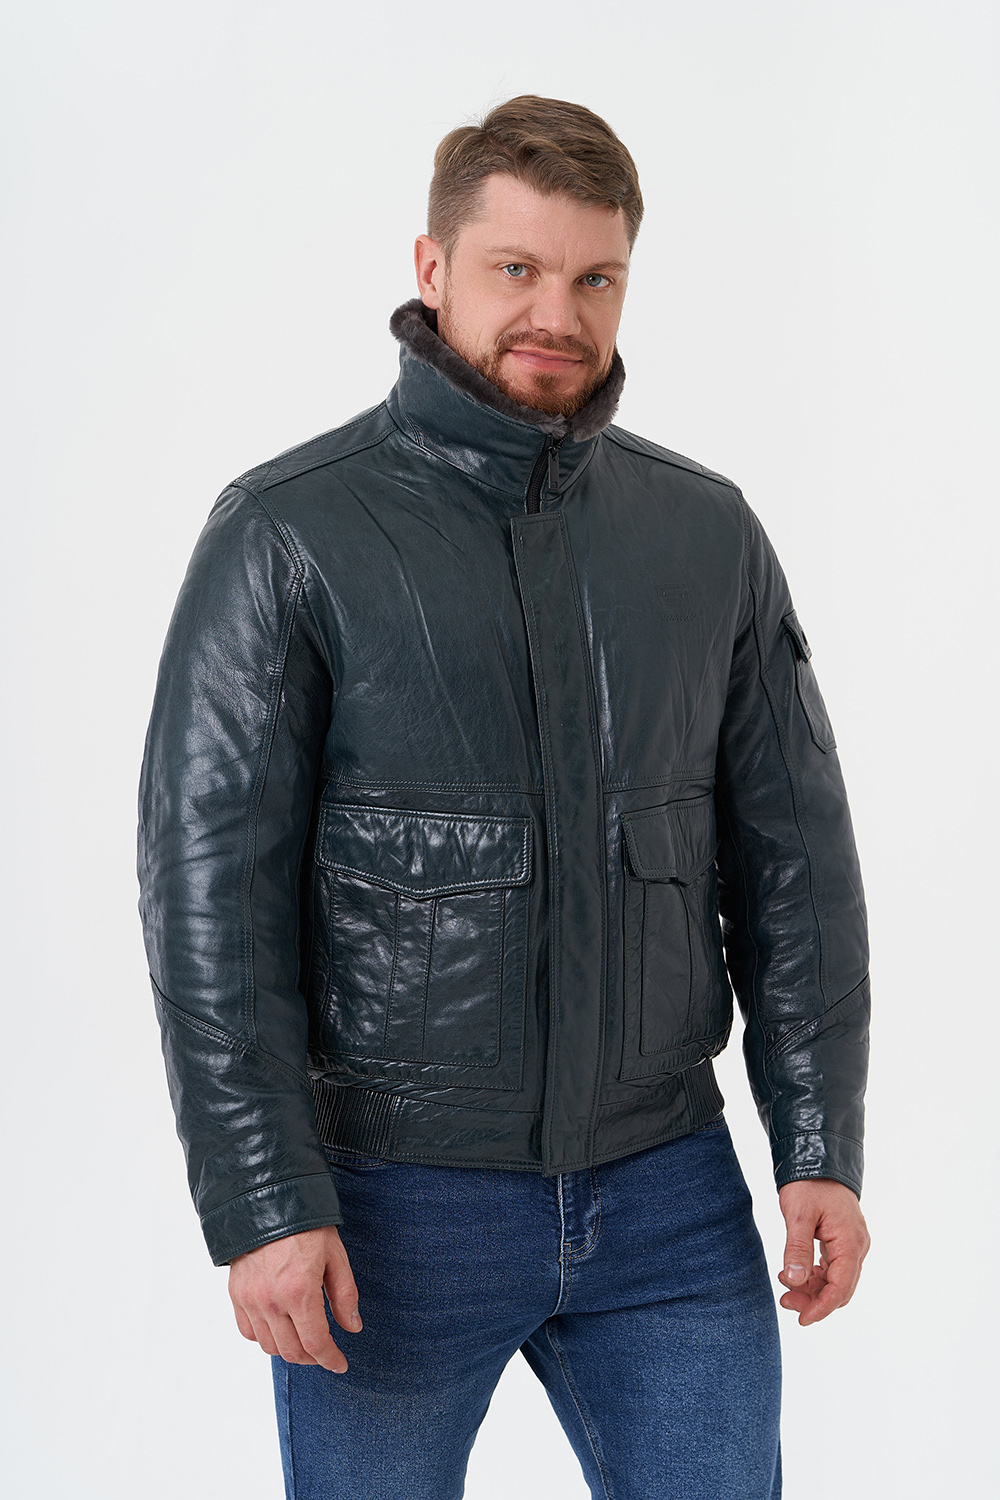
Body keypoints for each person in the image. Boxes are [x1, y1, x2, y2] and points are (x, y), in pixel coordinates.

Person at [137, 95, 871, 1500]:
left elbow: (797, 865)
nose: (557, 313)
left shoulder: (706, 532)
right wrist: (263, 1201)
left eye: (595, 277)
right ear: (433, 269)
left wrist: (819, 1143)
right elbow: (209, 905)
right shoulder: (289, 532)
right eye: (516, 268)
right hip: (389, 1211)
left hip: (670, 1196)